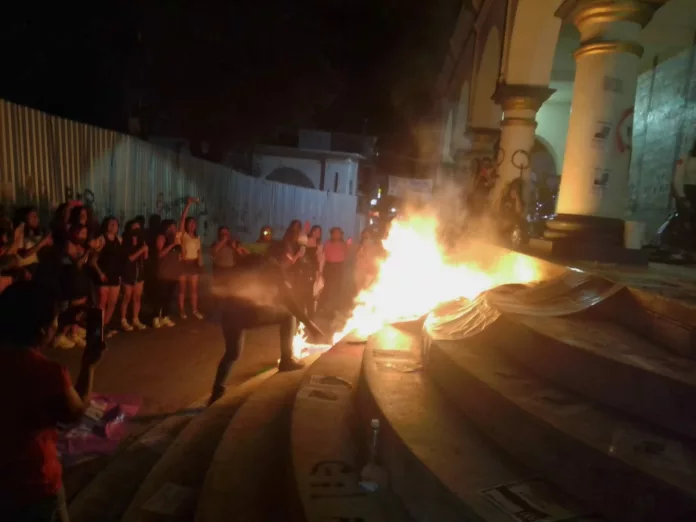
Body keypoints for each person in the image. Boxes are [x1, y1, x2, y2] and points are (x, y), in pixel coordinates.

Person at [0, 280, 105, 521]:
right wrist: (89, 366)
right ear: (41, 331)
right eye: (54, 321)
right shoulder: (47, 372)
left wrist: (61, 319)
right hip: (32, 485)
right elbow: (75, 412)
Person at [209, 253, 325, 404]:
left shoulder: (254, 262)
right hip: (247, 312)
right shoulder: (274, 268)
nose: (291, 261)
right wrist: (312, 327)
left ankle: (217, 391)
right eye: (290, 258)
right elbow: (290, 303)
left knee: (233, 352)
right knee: (288, 316)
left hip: (230, 313)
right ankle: (286, 359)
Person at [92, 217, 122, 336]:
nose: (114, 225)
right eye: (111, 223)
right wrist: (100, 273)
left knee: (112, 302)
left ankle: (105, 325)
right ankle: (98, 329)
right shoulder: (101, 239)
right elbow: (93, 260)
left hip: (115, 275)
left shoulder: (119, 240)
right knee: (102, 303)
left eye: (116, 224)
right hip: (103, 275)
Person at [178, 197, 203, 319]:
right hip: (184, 263)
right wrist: (188, 205)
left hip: (193, 264)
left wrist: (200, 261)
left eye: (194, 223)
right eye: (190, 223)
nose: (193, 225)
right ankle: (182, 310)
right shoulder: (184, 235)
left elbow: (199, 250)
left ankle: (194, 310)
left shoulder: (197, 237)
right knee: (182, 289)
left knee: (194, 290)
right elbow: (182, 220)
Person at [120, 220, 149, 331]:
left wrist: (145, 251)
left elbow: (145, 258)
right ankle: (123, 319)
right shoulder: (125, 242)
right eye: (134, 227)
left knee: (137, 297)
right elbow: (130, 258)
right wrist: (141, 250)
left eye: (138, 227)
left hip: (139, 273)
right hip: (128, 273)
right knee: (127, 296)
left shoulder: (142, 241)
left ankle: (135, 319)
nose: (136, 229)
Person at [153, 219, 181, 328]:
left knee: (169, 296)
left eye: (175, 227)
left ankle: (165, 316)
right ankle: (155, 317)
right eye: (172, 227)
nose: (174, 229)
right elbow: (160, 254)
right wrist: (172, 245)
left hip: (173, 272)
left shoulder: (176, 239)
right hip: (164, 271)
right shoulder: (161, 237)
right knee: (161, 296)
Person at [319, 227, 348, 314]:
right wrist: (321, 270)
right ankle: (322, 306)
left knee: (338, 287)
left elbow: (345, 255)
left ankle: (336, 307)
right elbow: (324, 256)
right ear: (332, 234)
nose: (337, 235)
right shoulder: (328, 243)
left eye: (339, 233)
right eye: (335, 233)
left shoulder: (343, 244)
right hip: (330, 266)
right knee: (327, 287)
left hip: (339, 267)